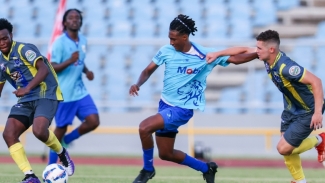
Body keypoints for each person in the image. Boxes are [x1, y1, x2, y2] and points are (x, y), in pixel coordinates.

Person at [129, 14, 258, 183]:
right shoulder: (166, 51)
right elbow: (147, 70)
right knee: (166, 153)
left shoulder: (204, 55)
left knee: (144, 127)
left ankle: (147, 170)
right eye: (169, 38)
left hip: (182, 109)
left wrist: (257, 54)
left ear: (185, 37)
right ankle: (207, 168)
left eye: (174, 39)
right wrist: (138, 84)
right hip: (164, 105)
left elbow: (235, 59)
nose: (171, 42)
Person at [207, 29, 325, 183]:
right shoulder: (267, 58)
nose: (257, 51)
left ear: (271, 49)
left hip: (307, 110)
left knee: (283, 148)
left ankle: (320, 140)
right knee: (287, 148)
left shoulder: (287, 67)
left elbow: (316, 81)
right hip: (290, 108)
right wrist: (217, 54)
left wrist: (317, 113)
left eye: (260, 48)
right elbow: (242, 50)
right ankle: (301, 181)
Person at [0, 18, 74, 183]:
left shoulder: (24, 49)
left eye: (5, 38)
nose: (2, 42)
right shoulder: (0, 62)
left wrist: (26, 88)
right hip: (25, 99)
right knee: (9, 134)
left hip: (46, 93)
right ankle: (30, 176)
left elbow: (44, 70)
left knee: (39, 131)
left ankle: (62, 154)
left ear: (11, 35)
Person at [48, 9, 100, 164]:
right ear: (65, 22)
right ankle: (50, 167)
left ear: (81, 21)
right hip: (65, 93)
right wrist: (69, 61)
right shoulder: (59, 43)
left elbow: (80, 61)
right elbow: (52, 67)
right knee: (60, 130)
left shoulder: (83, 40)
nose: (74, 20)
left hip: (80, 91)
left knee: (93, 121)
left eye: (77, 17)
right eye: (70, 18)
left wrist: (87, 71)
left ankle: (67, 140)